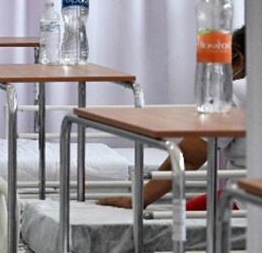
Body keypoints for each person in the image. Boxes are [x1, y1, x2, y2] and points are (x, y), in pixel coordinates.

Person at [100, 26, 246, 210]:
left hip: (244, 203)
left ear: (237, 58)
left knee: (174, 225)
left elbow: (188, 158)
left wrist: (138, 200)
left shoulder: (233, 93)